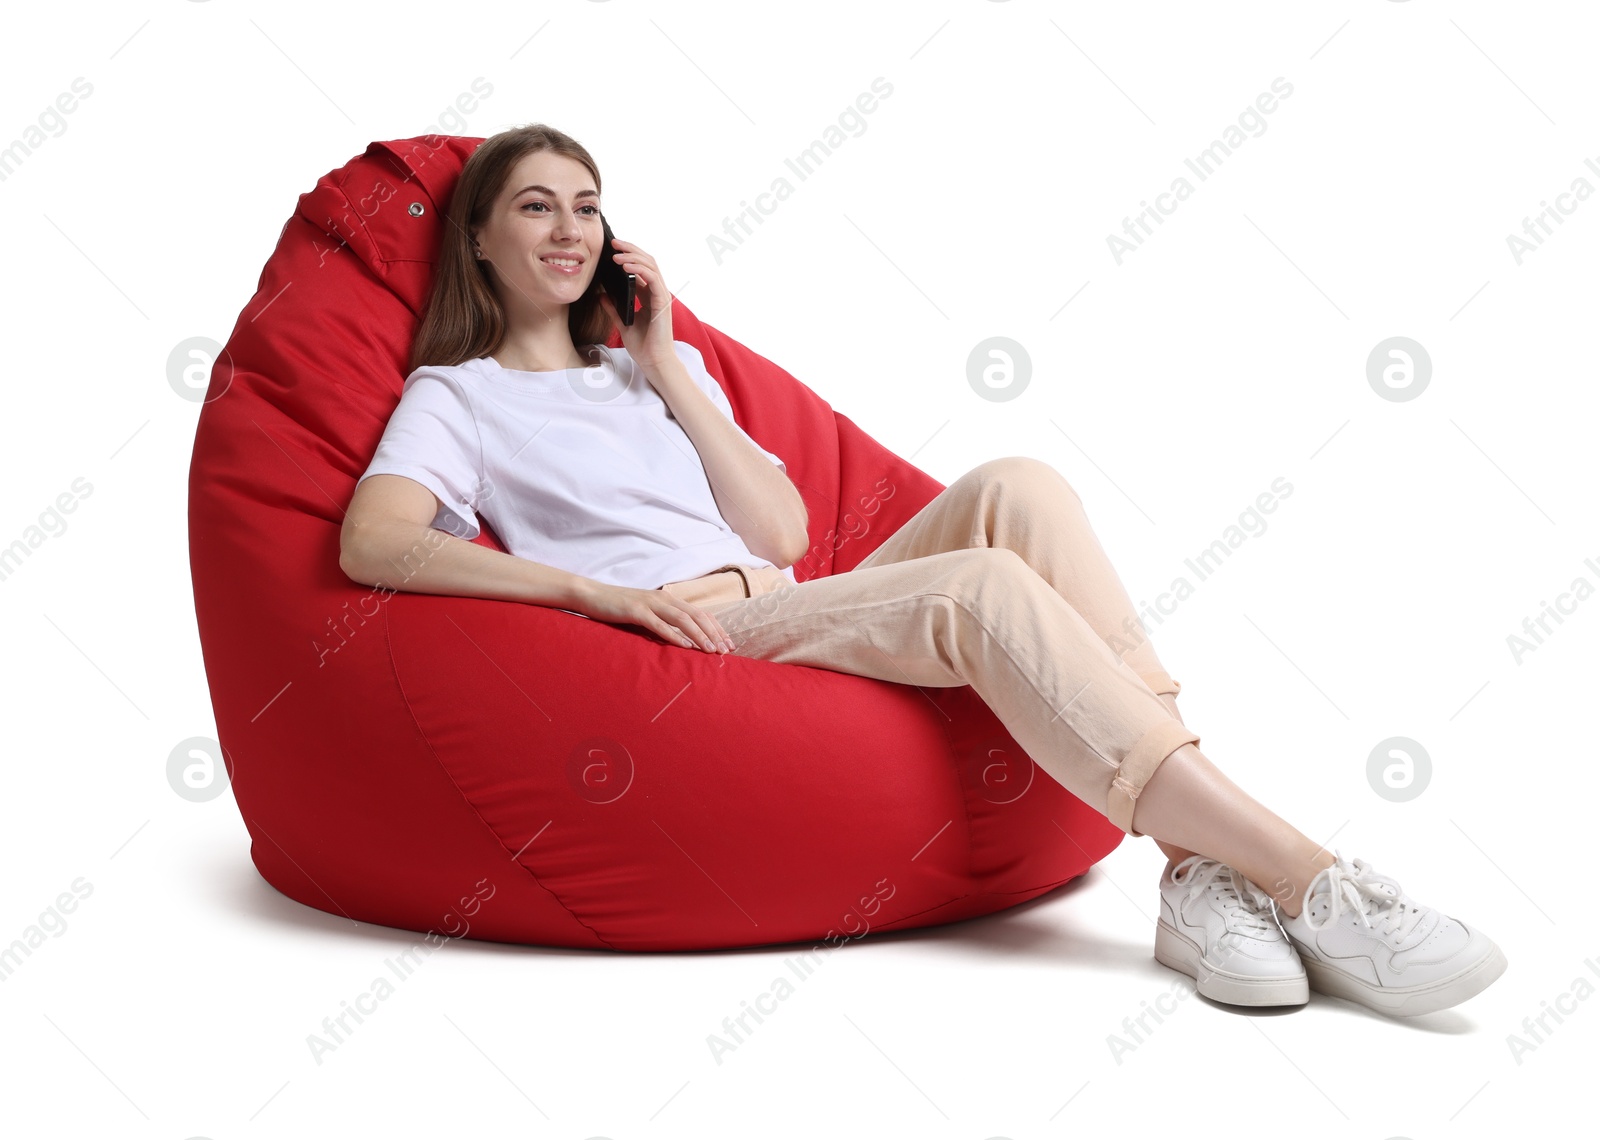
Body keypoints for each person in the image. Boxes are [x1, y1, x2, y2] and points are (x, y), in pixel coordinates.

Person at [341, 123, 1507, 1018]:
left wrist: (661, 361)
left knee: (1018, 485)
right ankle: (1311, 881)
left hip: (780, 601)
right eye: (535, 207)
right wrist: (591, 595)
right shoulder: (462, 395)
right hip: (695, 640)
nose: (569, 230)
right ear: (479, 237)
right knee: (981, 589)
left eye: (587, 207)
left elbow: (787, 533)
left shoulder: (659, 363)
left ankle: (1199, 874)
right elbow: (376, 541)